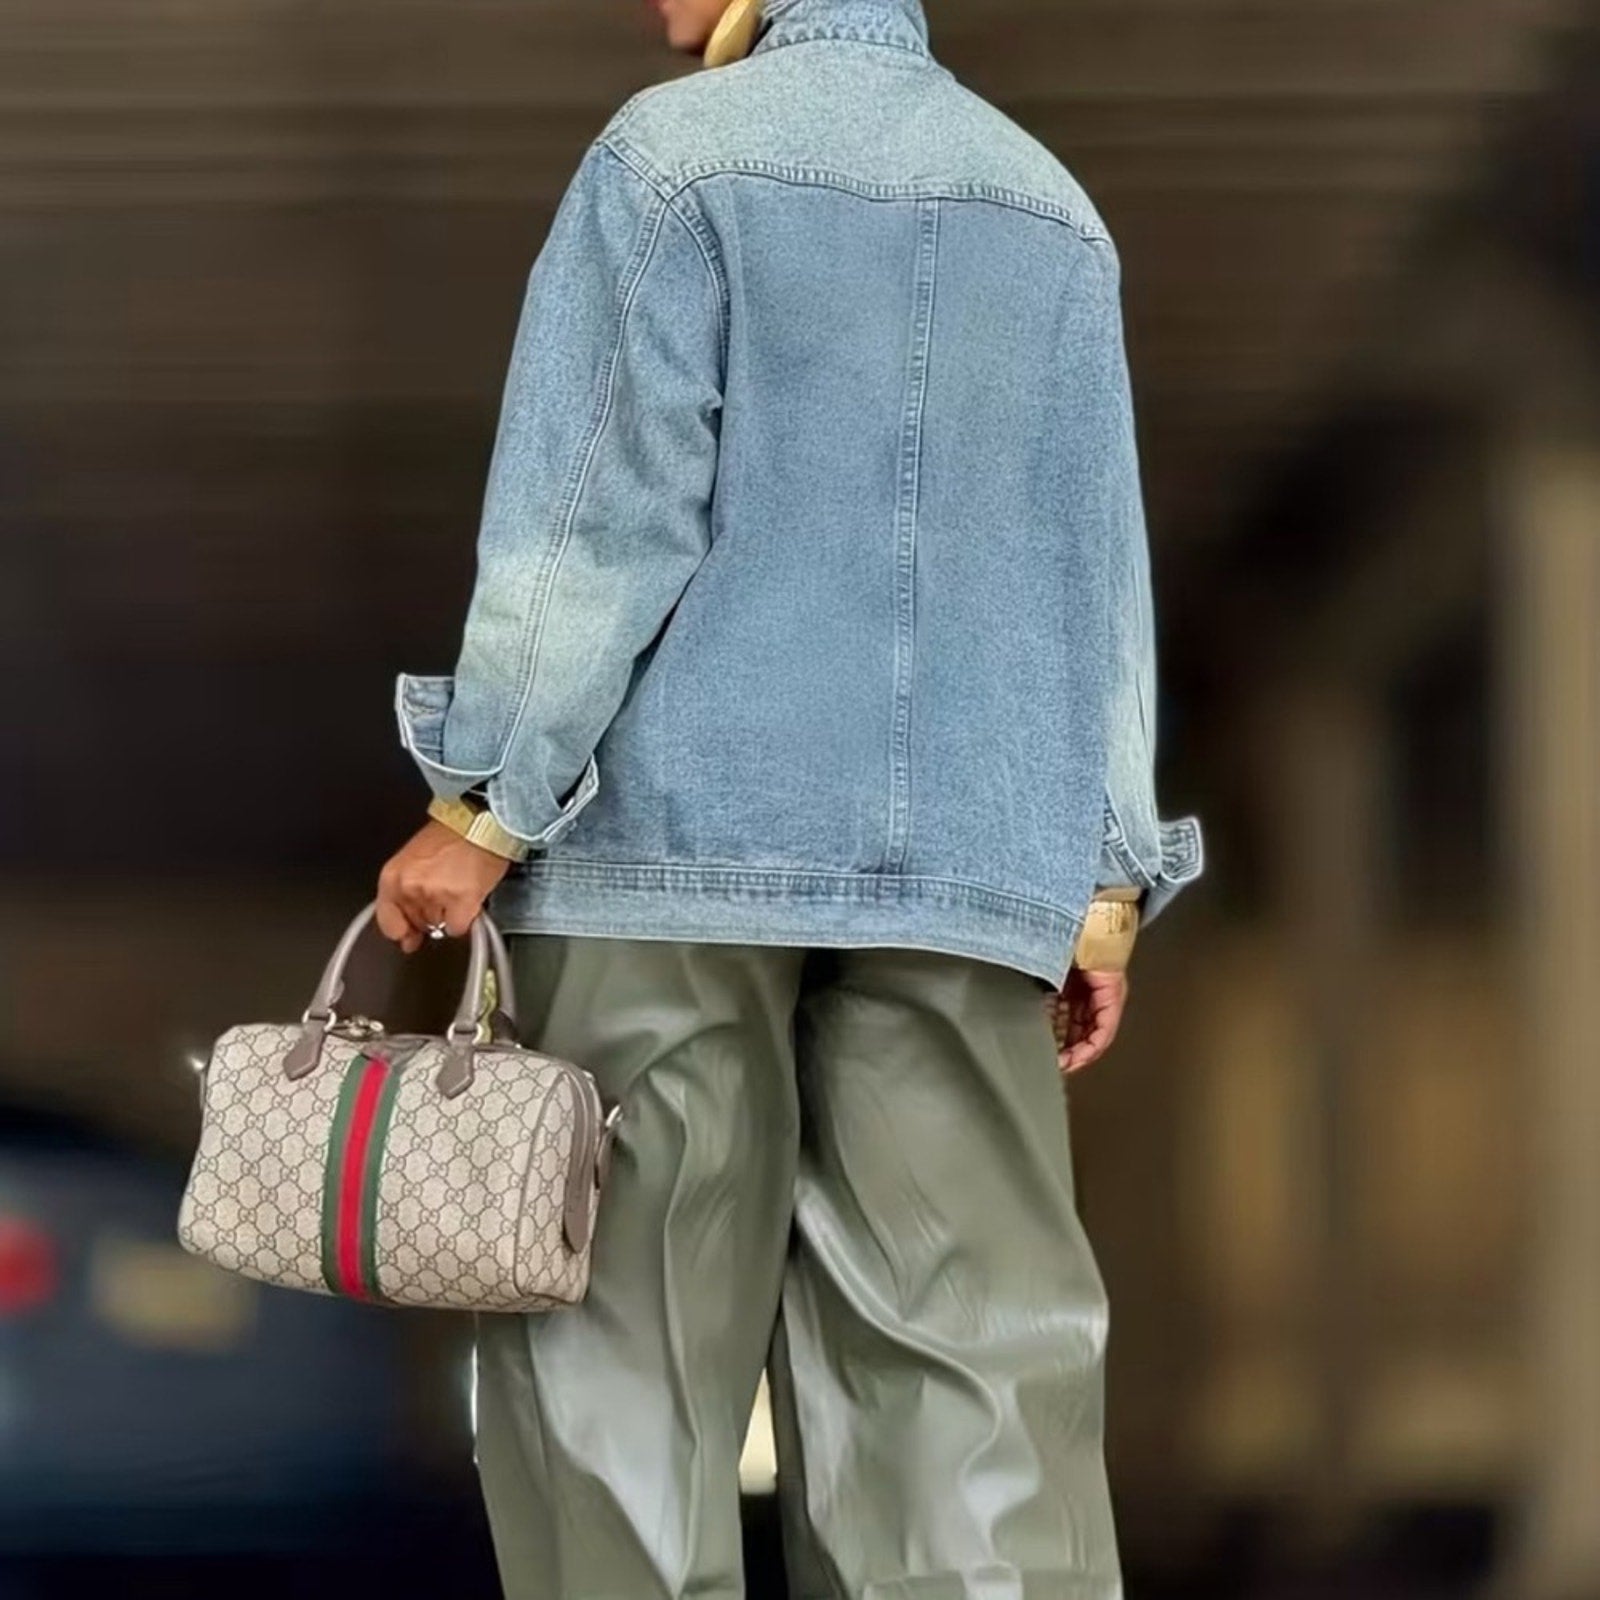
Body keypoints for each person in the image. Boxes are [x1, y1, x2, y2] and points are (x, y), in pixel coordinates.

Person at [374, 0, 1205, 1595]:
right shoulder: (1046, 201)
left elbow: (601, 516)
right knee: (973, 1368)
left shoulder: (669, 162)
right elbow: (1093, 578)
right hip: (964, 881)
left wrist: (482, 801)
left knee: (619, 1349)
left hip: (666, 859)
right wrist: (1101, 886)